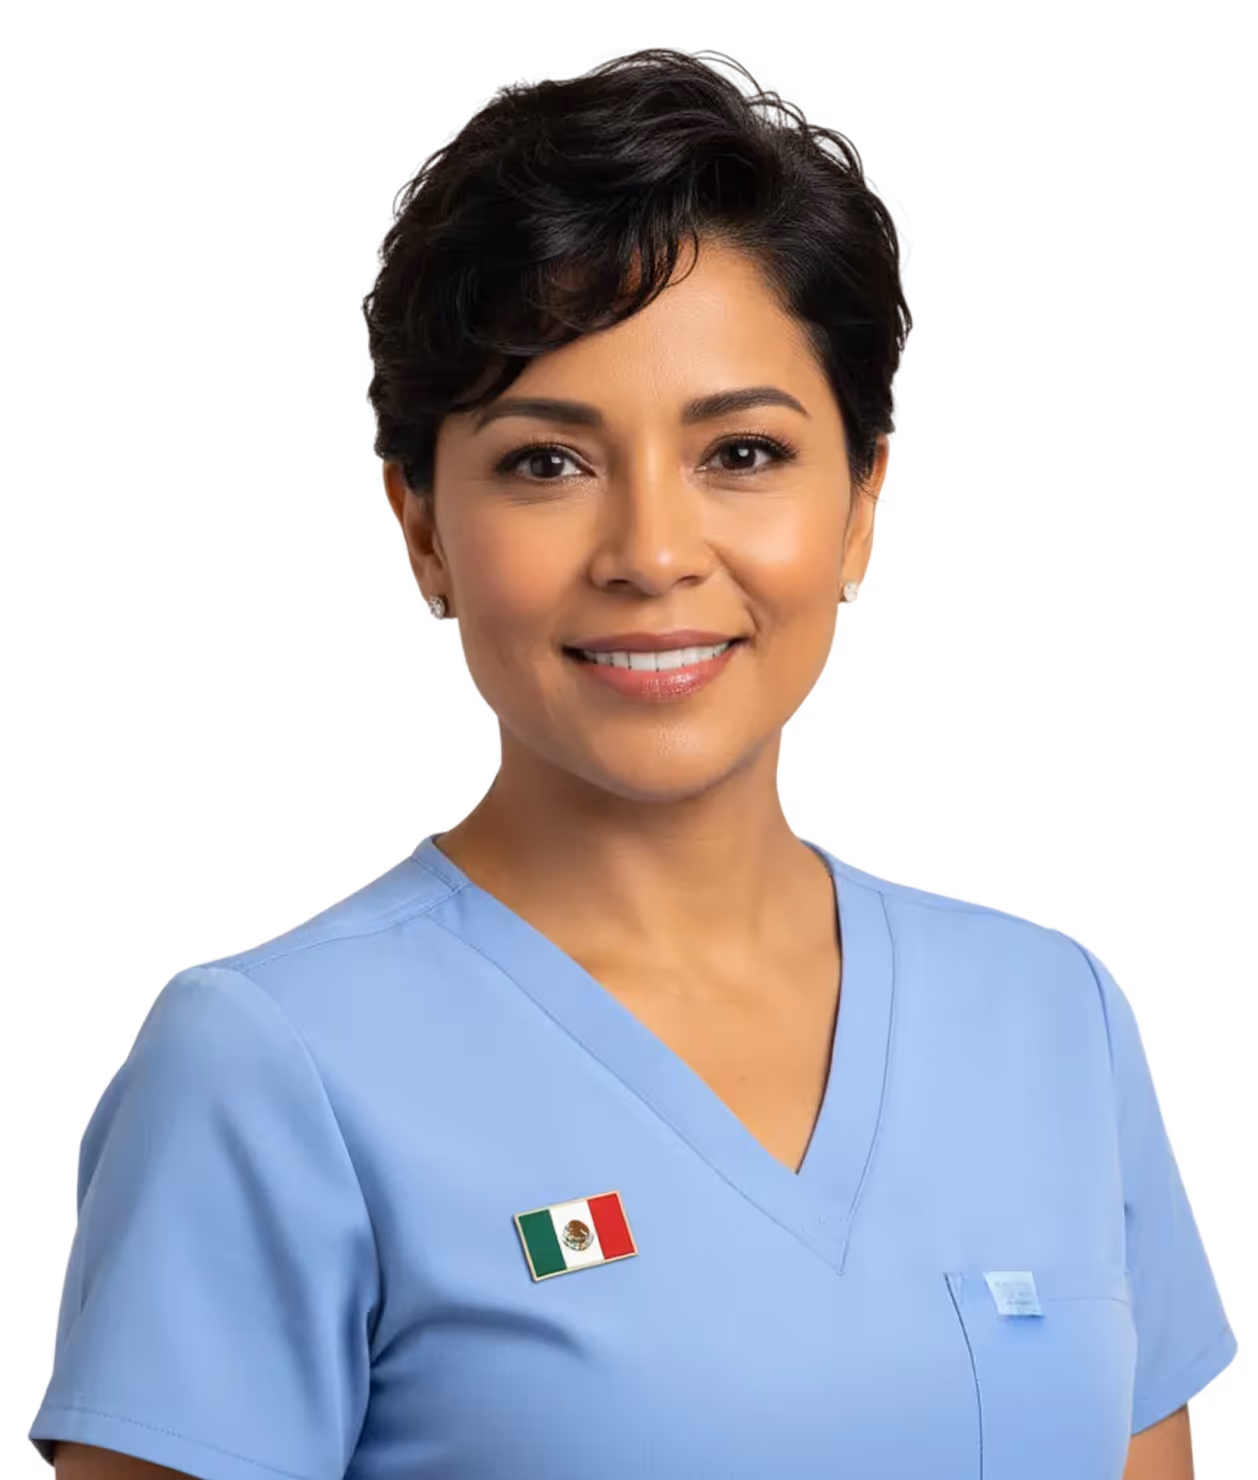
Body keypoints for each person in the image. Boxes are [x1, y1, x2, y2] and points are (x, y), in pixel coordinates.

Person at [30, 46, 1233, 1479]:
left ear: (861, 503)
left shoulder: (1054, 1018)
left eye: (741, 453)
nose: (653, 555)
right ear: (421, 527)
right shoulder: (265, 1067)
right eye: (547, 461)